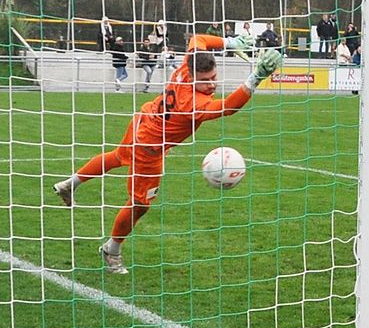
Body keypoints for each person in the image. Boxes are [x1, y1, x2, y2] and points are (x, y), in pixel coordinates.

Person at [52, 34, 280, 274]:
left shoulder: (189, 61)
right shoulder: (192, 103)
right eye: (204, 81)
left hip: (144, 119)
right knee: (140, 205)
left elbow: (198, 38)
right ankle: (112, 250)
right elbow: (229, 106)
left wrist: (228, 43)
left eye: (214, 77)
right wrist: (256, 77)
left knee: (118, 157)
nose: (211, 84)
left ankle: (70, 184)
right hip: (149, 149)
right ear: (191, 77)